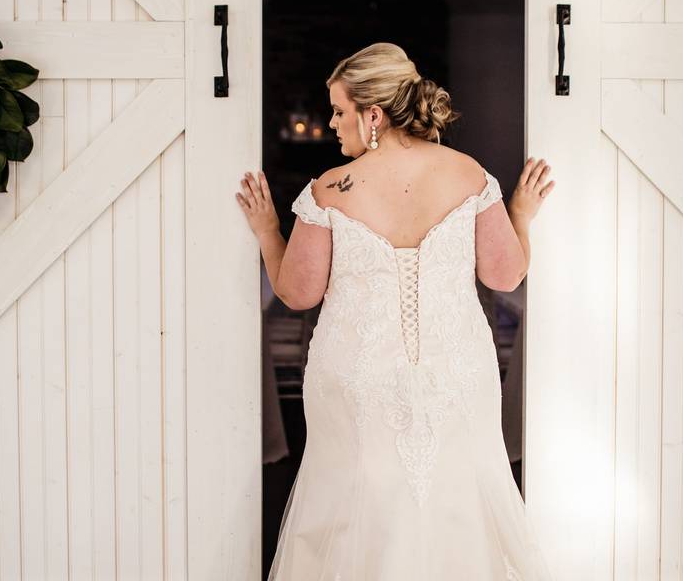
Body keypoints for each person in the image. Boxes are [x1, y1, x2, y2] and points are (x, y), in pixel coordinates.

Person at [236, 42, 556, 580]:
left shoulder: (331, 190)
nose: (333, 124)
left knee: (357, 509)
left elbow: (297, 292)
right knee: (458, 501)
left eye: (339, 111)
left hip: (357, 378)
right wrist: (522, 216)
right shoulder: (470, 176)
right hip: (455, 374)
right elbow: (505, 276)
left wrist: (268, 230)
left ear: (374, 114)